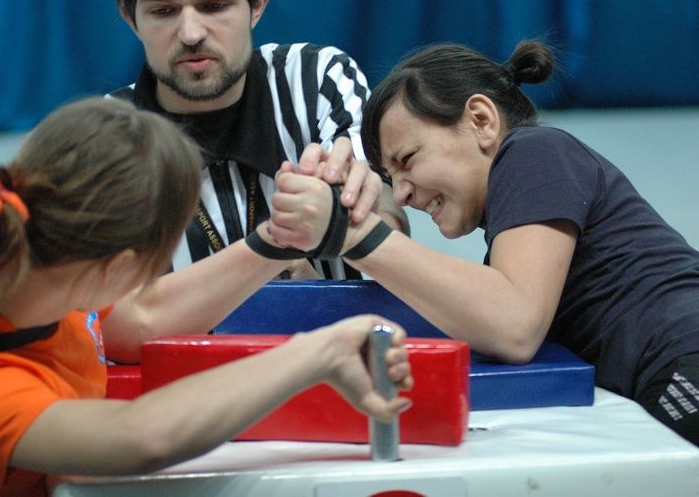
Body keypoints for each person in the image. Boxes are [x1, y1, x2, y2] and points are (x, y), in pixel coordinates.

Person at [0, 97, 413, 495]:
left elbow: (138, 320)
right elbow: (140, 436)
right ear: (119, 268)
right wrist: (315, 352)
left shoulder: (21, 253)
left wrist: (274, 241)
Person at [0, 0, 408, 363]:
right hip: (186, 391)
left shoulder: (315, 76)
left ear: (257, 3)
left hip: (348, 360)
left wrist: (361, 209)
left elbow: (387, 228)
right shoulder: (103, 135)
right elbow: (116, 327)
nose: (191, 32)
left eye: (215, 6)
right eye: (164, 11)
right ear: (130, 17)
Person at [265, 40, 699, 447]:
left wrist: (354, 237)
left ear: (482, 121)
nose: (400, 195)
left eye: (407, 161)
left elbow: (514, 327)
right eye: (390, 179)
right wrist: (308, 273)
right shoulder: (510, 249)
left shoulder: (535, 151)